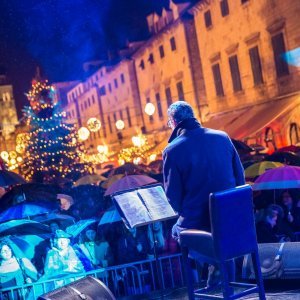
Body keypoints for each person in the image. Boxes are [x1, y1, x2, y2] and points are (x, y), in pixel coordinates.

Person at [163, 101, 245, 287]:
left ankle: (209, 273)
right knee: (220, 241)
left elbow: (173, 199)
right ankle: (222, 277)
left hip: (199, 224)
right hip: (232, 220)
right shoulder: (223, 137)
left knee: (176, 231)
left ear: (173, 122)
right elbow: (240, 178)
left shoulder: (172, 150)